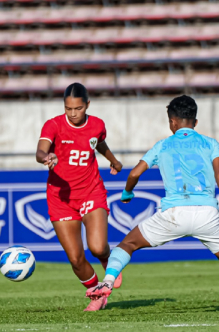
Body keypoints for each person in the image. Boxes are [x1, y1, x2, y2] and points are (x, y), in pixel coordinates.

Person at [85, 95, 219, 313]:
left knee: (127, 245)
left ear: (172, 122)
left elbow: (134, 173)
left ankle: (108, 282)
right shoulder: (210, 143)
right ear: (195, 122)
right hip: (207, 215)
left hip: (173, 215)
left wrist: (127, 192)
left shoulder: (162, 145)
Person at [36, 82, 123, 312]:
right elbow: (40, 150)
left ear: (87, 105)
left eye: (78, 108)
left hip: (91, 190)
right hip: (60, 198)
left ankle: (108, 260)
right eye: (68, 108)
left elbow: (98, 142)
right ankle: (98, 294)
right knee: (75, 258)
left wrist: (112, 160)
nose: (73, 114)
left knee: (96, 247)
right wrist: (46, 157)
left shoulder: (97, 124)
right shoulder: (53, 125)